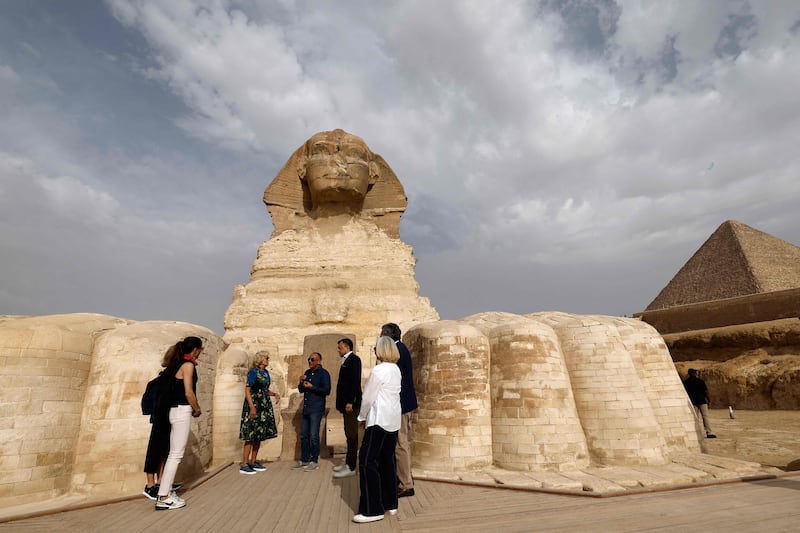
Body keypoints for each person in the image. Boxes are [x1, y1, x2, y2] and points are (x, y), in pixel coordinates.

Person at [352, 336, 402, 523]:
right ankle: (391, 504)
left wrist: (361, 417)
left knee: (367, 461)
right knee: (387, 461)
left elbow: (368, 398)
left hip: (378, 420)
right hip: (393, 420)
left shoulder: (379, 370)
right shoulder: (395, 370)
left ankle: (372, 510)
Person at [155, 336, 204, 511]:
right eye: (201, 350)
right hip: (181, 410)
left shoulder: (174, 363)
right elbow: (189, 392)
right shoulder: (188, 365)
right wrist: (197, 409)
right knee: (175, 455)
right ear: (196, 349)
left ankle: (165, 491)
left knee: (173, 454)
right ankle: (164, 497)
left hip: (171, 410)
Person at [381, 323, 417, 498]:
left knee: (400, 444)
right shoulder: (402, 348)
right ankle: (406, 476)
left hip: (400, 405)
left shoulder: (396, 352)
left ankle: (406, 484)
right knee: (404, 443)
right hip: (406, 403)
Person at [239, 351, 280, 475]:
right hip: (254, 404)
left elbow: (264, 389)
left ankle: (253, 461)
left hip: (264, 405)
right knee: (250, 434)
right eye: (266, 358)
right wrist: (251, 407)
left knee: (259, 434)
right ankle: (244, 464)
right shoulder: (253, 372)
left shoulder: (266, 373)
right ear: (260, 359)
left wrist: (274, 394)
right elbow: (248, 389)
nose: (268, 360)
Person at [292, 351, 331, 471]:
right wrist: (300, 382)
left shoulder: (324, 374)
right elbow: (301, 390)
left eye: (312, 360)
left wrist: (312, 387)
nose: (310, 361)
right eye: (308, 359)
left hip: (316, 408)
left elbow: (327, 390)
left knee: (314, 435)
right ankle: (304, 459)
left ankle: (314, 460)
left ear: (318, 361)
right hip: (307, 408)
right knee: (304, 435)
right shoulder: (307, 373)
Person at [333, 338, 362, 478]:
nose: (338, 350)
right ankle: (348, 462)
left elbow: (354, 382)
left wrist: (350, 401)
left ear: (346, 347)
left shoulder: (354, 360)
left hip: (351, 405)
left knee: (352, 434)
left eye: (340, 348)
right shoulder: (346, 360)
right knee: (348, 433)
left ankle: (351, 467)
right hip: (345, 405)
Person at [684, 368, 716, 438]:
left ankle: (696, 433)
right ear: (694, 374)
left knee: (695, 418)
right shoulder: (700, 381)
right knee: (705, 417)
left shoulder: (686, 382)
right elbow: (706, 392)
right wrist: (709, 400)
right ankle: (709, 432)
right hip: (702, 401)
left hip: (693, 402)